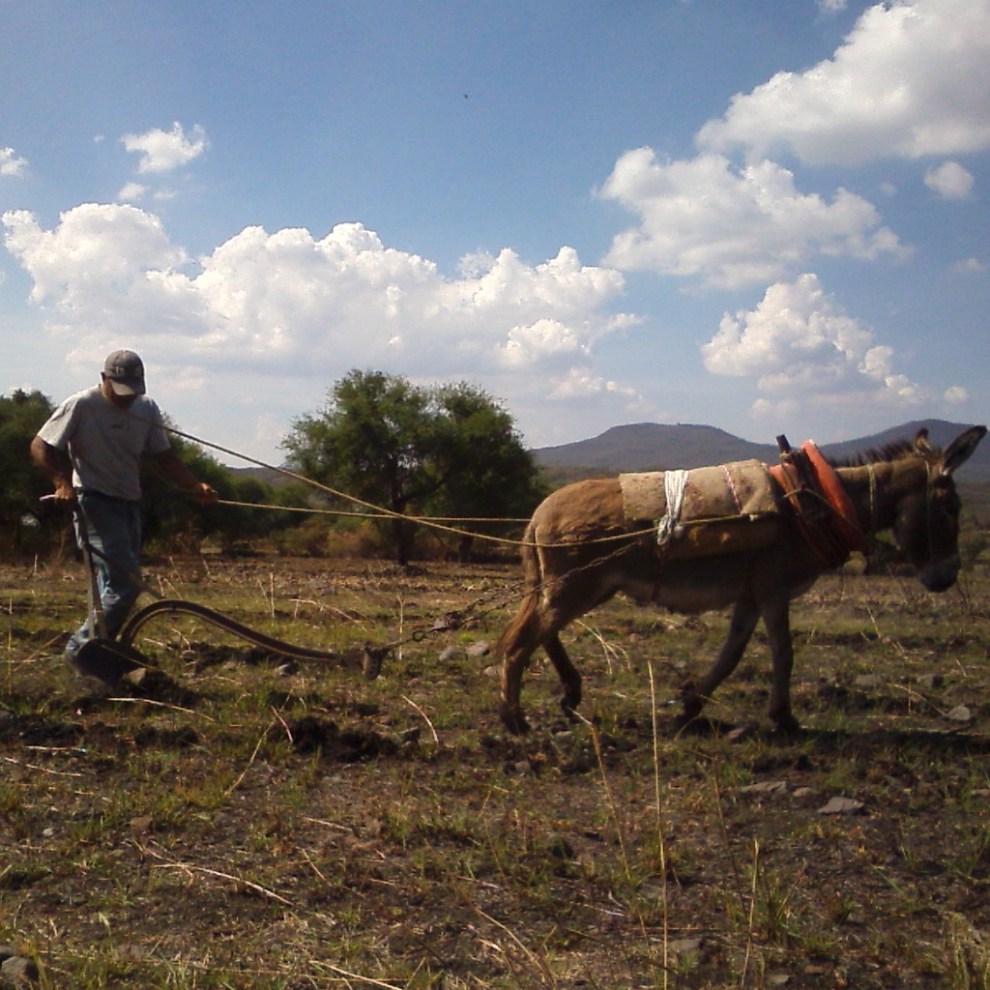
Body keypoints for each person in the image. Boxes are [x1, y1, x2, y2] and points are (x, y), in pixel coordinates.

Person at [30, 348, 218, 674]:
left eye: (132, 392)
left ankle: (98, 655)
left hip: (130, 503)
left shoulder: (146, 408)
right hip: (94, 502)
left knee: (111, 585)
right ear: (104, 379)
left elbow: (163, 456)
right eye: (120, 391)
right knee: (126, 583)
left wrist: (193, 485)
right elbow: (41, 445)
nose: (126, 399)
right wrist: (62, 483)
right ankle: (80, 650)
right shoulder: (82, 405)